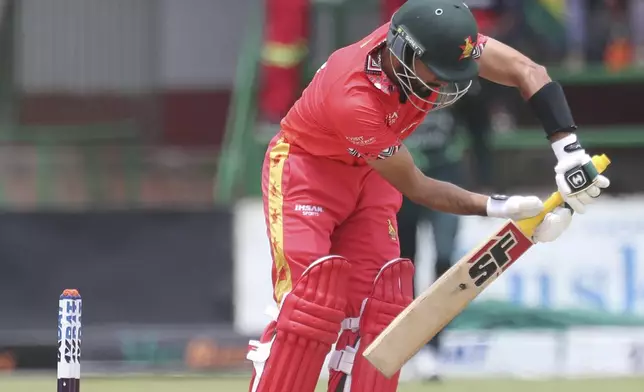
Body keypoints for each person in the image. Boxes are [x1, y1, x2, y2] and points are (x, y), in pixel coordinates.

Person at [246, 1, 610, 391]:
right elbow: (418, 186)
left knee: (380, 312)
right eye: (438, 74)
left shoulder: (440, 40)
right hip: (306, 170)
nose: (444, 85)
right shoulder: (352, 98)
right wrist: (497, 206)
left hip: (369, 173)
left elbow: (528, 71)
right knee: (309, 310)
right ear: (405, 53)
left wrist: (568, 151)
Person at [396, 107, 463, 381]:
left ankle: (433, 345)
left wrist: (486, 178)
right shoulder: (398, 77)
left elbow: (479, 126)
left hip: (446, 180)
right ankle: (409, 343)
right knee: (403, 265)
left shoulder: (462, 82)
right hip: (401, 179)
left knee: (445, 262)